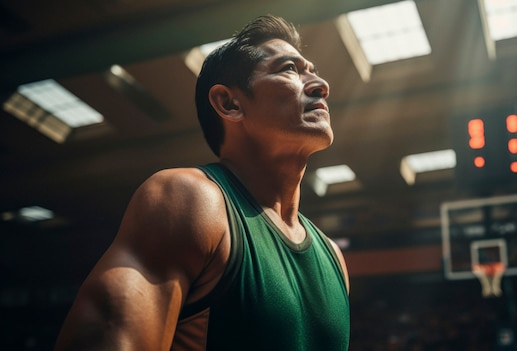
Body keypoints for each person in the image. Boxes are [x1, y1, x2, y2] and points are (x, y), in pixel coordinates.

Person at [55, 14, 350, 351]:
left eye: (312, 70)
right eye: (288, 69)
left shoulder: (333, 256)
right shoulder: (187, 200)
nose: (320, 84)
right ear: (229, 103)